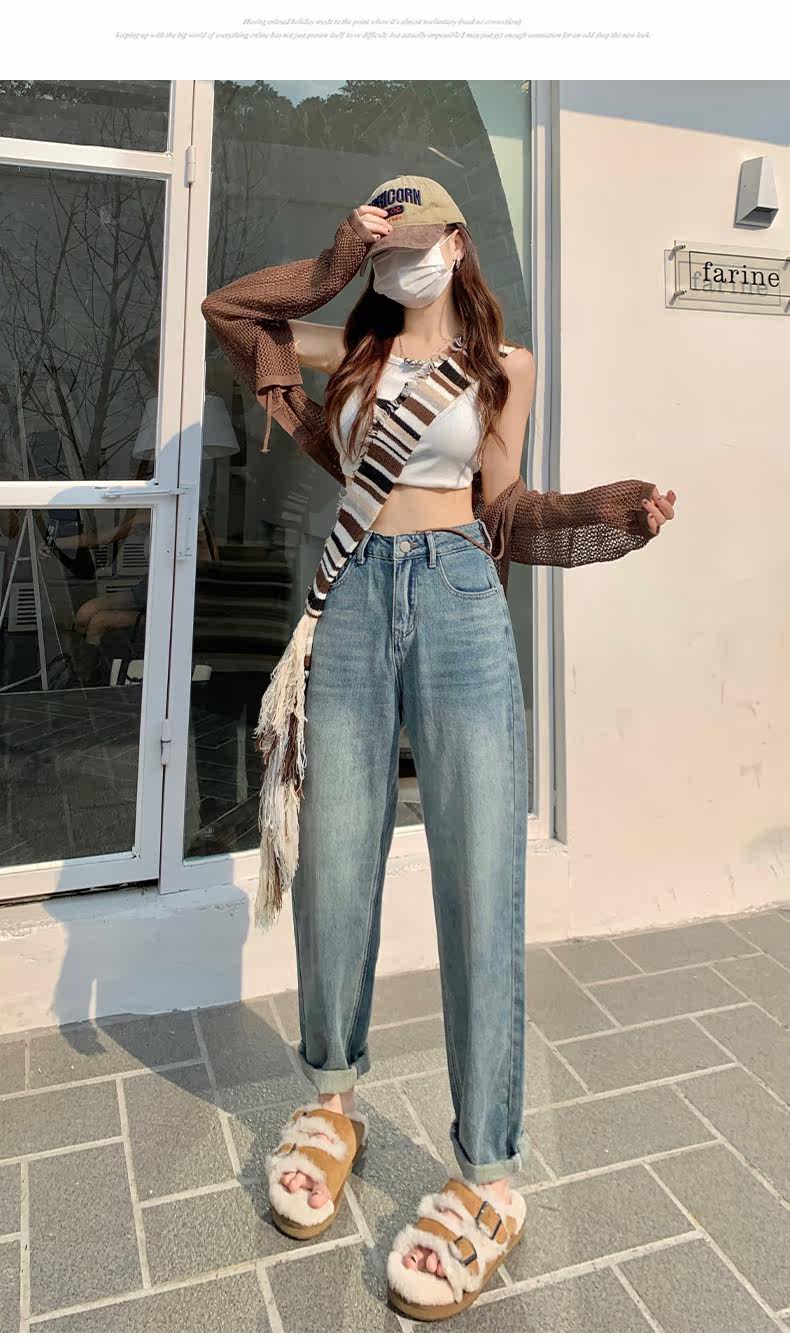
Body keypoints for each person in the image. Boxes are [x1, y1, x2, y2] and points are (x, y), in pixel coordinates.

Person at [201, 175, 676, 1321]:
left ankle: (489, 1176)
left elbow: (503, 505)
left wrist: (602, 513)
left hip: (460, 596)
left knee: (479, 878)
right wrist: (333, 260)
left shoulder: (505, 366)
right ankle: (331, 1100)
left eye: (411, 239)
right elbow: (231, 310)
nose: (396, 258)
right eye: (381, 245)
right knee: (334, 862)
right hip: (353, 596)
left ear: (455, 243)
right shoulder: (348, 349)